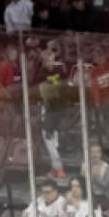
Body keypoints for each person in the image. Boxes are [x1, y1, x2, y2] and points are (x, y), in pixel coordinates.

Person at [37, 48, 69, 178]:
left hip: (59, 108)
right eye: (46, 61)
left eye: (51, 60)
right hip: (47, 107)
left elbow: (66, 87)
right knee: (49, 138)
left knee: (54, 140)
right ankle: (57, 168)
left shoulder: (60, 70)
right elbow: (39, 92)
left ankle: (57, 168)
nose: (49, 63)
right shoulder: (41, 73)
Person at [0, 45, 22, 118]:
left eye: (15, 54)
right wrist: (7, 94)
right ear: (7, 55)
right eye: (12, 54)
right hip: (6, 97)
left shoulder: (16, 65)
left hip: (15, 95)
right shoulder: (4, 66)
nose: (14, 56)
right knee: (14, 116)